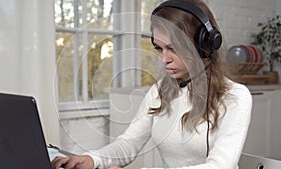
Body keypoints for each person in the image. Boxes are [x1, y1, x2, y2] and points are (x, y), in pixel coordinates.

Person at [51, 0, 252, 168]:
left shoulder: (235, 97)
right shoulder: (160, 91)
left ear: (203, 46)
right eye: (159, 48)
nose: (164, 59)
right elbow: (129, 143)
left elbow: (219, 167)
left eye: (173, 49)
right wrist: (92, 159)